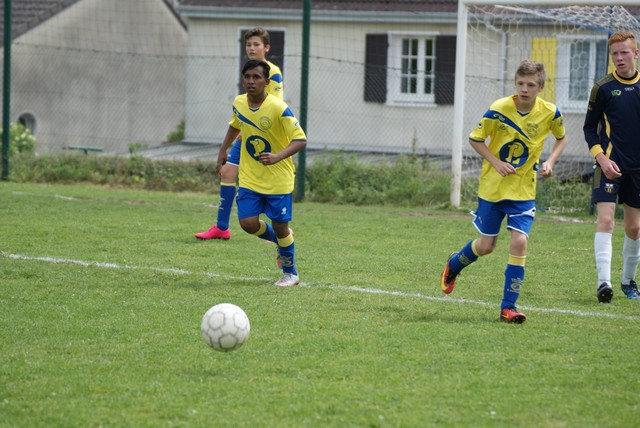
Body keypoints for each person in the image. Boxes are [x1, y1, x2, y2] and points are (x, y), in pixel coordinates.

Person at [439, 60, 568, 323]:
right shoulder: (499, 109)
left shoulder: (550, 113)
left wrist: (550, 162)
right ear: (515, 83)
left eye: (530, 85)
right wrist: (495, 162)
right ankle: (454, 264)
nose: (524, 89)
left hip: (523, 190)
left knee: (520, 241)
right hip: (493, 189)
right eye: (520, 83)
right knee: (487, 246)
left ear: (541, 87)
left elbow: (561, 138)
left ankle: (508, 307)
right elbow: (475, 139)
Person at [216, 59, 306, 286]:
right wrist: (223, 150)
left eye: (256, 77)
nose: (251, 81)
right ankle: (283, 241)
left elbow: (300, 139)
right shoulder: (239, 102)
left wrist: (277, 156)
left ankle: (290, 273)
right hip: (250, 177)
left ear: (266, 82)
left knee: (280, 226)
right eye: (247, 77)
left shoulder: (278, 107)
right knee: (247, 223)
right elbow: (235, 125)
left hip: (278, 179)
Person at [196, 27, 284, 240]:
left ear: (266, 47)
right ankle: (221, 227)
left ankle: (282, 234)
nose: (252, 48)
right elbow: (242, 111)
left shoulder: (272, 72)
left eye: (256, 44)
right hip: (245, 135)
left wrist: (252, 128)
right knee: (227, 173)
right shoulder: (249, 70)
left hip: (262, 138)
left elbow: (276, 106)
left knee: (268, 186)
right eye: (248, 44)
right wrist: (225, 146)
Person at [583, 31, 640, 303]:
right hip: (608, 165)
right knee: (606, 221)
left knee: (635, 228)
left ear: (636, 53)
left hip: (637, 169)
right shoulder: (603, 88)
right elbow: (589, 129)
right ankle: (603, 284)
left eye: (624, 52)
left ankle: (628, 281)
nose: (619, 58)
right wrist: (602, 160)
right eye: (614, 53)